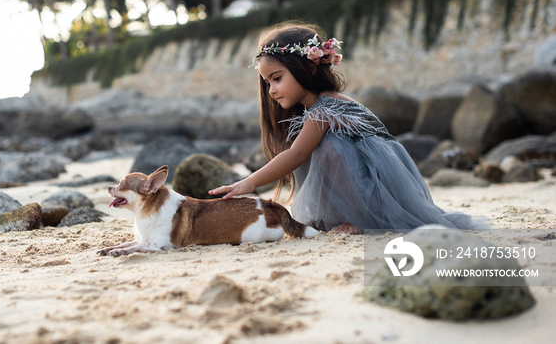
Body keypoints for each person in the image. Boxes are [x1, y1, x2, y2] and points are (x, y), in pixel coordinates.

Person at [209, 21, 489, 233]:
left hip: (383, 183)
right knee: (326, 148)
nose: (271, 90)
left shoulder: (325, 108)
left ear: (308, 68)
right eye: (268, 82)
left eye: (277, 78)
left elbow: (296, 155)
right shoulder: (317, 108)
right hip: (375, 181)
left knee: (328, 148)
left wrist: (249, 182)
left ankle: (359, 221)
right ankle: (352, 217)